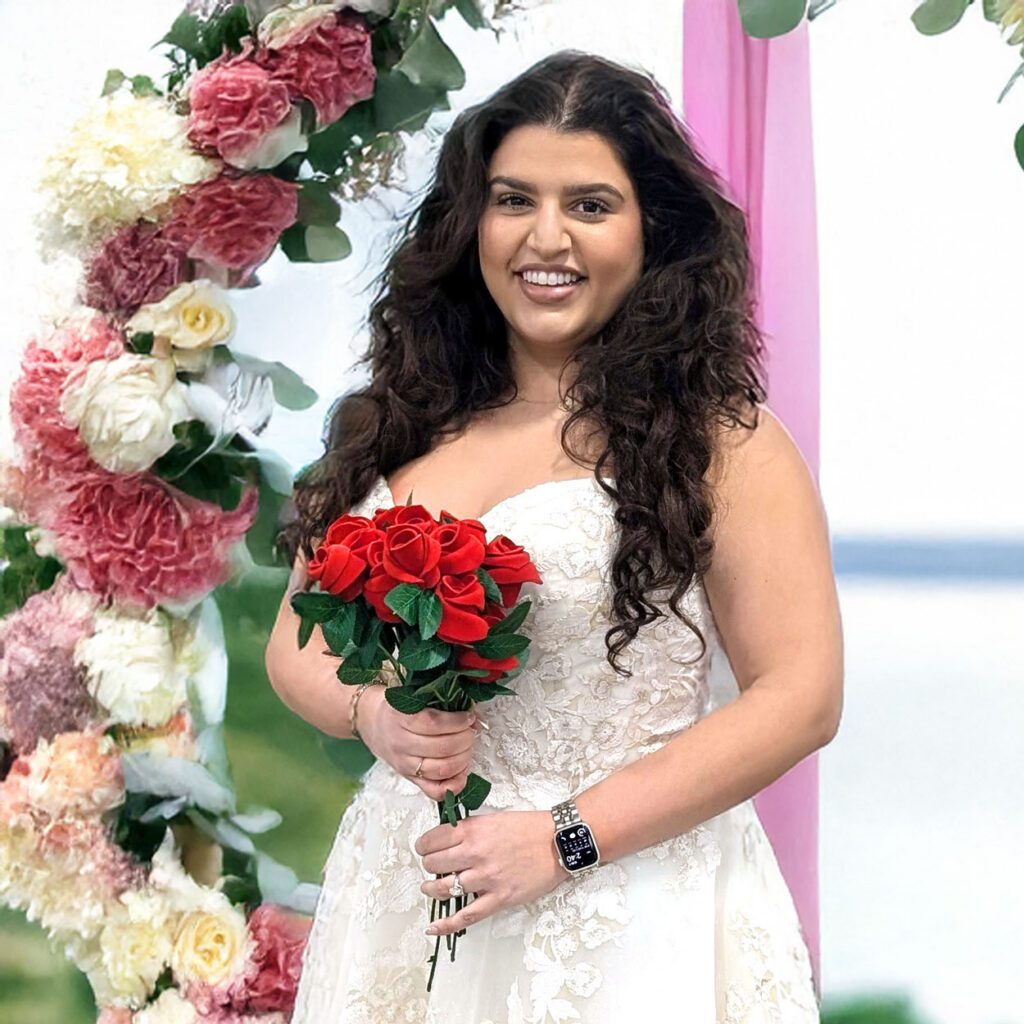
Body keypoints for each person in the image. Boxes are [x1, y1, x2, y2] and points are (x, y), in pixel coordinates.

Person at [265, 48, 842, 1023]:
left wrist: (568, 837)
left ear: (652, 228)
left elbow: (801, 694)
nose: (546, 236)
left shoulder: (720, 442)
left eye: (588, 204)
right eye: (513, 199)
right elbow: (296, 643)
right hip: (409, 891)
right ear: (468, 221)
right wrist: (375, 716)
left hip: (629, 901)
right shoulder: (396, 421)